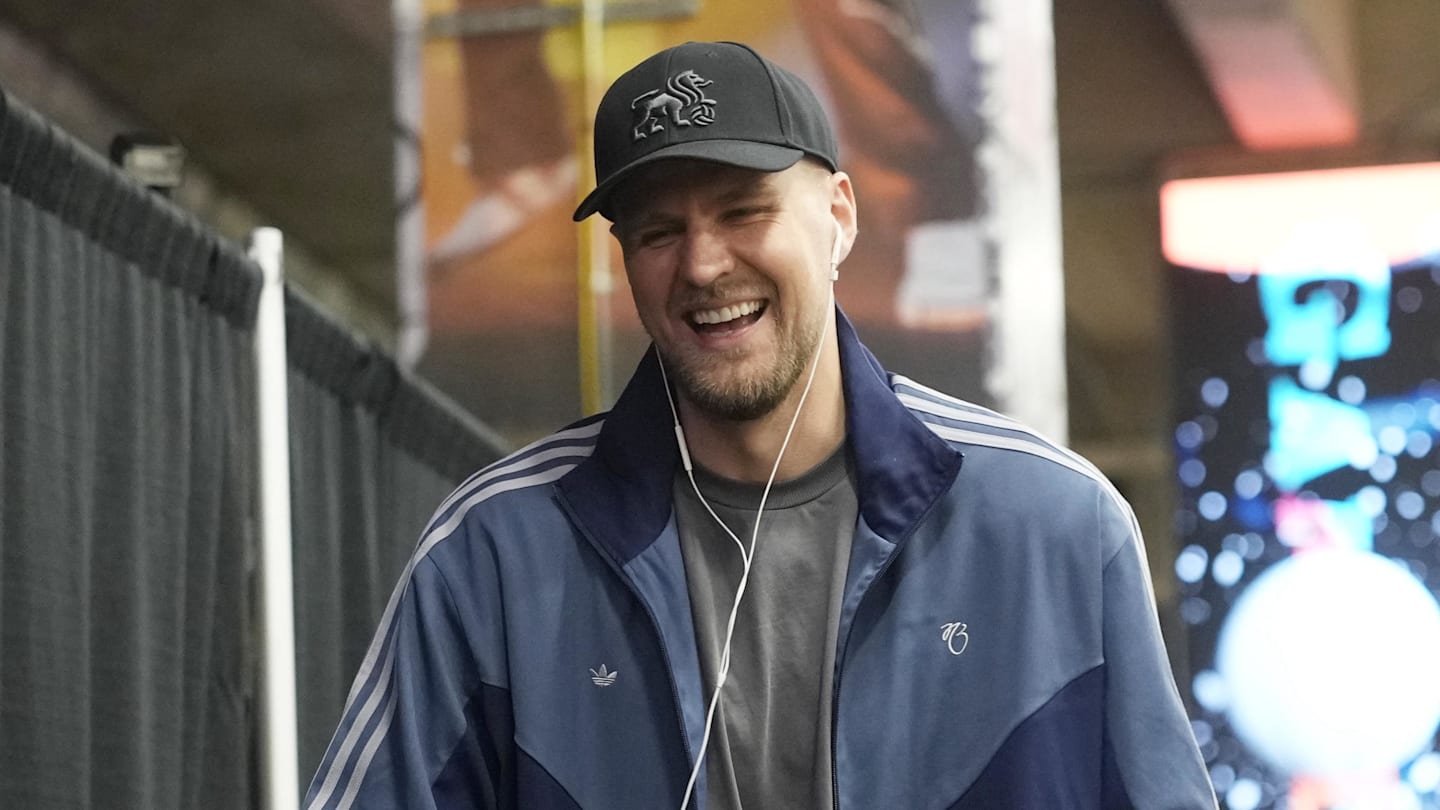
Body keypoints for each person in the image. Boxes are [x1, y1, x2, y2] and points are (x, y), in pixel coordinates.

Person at [304, 41, 1216, 810]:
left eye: (744, 212)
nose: (703, 264)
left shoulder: (1052, 526)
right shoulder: (495, 554)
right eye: (658, 232)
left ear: (839, 219)